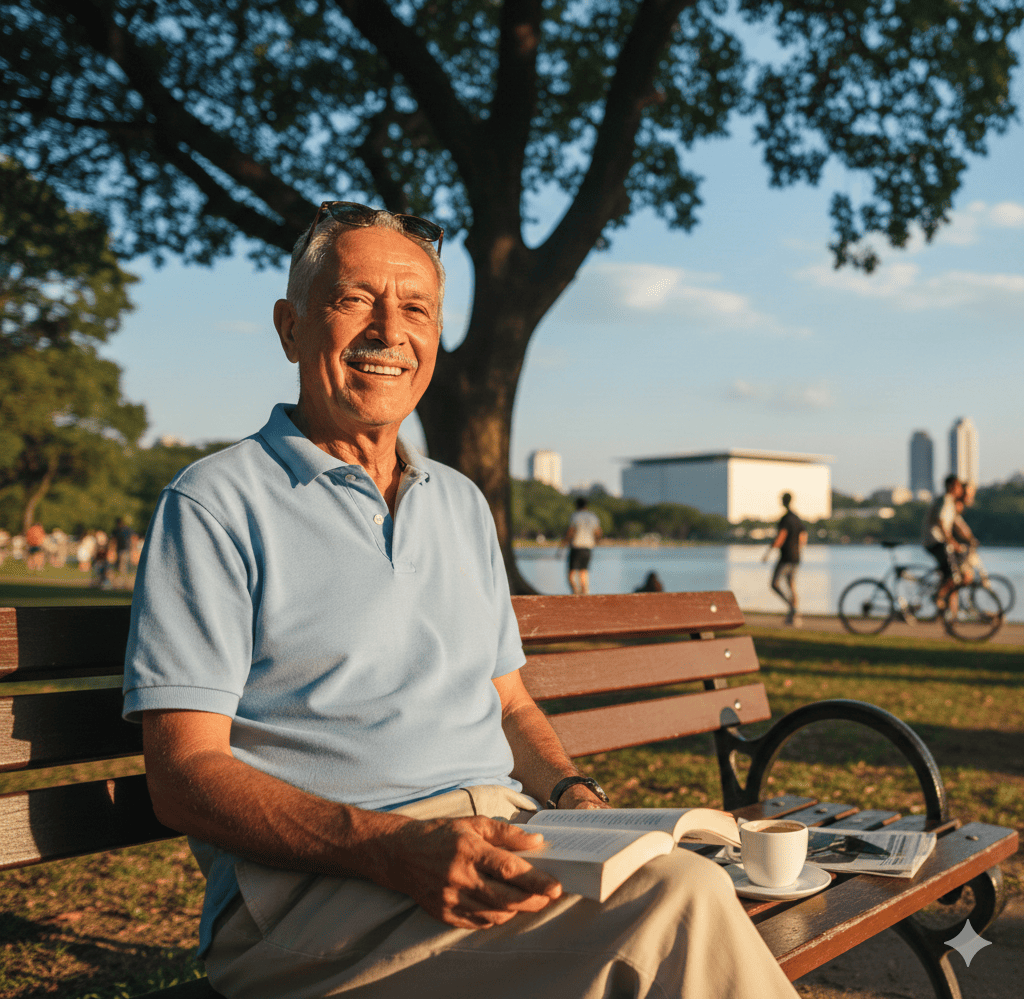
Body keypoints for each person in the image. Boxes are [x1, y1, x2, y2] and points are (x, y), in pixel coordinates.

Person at [122, 202, 799, 999]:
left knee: (677, 879)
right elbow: (183, 772)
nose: (388, 331)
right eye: (354, 300)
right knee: (681, 905)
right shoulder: (215, 504)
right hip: (315, 900)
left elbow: (505, 699)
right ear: (291, 327)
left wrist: (578, 800)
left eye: (416, 309)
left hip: (504, 838)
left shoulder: (459, 503)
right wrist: (392, 850)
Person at [762, 492, 807, 627]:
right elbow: (803, 536)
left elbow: (781, 537)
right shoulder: (797, 518)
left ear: (783, 501)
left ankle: (792, 608)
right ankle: (793, 616)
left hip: (786, 557)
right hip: (796, 557)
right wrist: (798, 549)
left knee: (774, 584)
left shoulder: (786, 519)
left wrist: (768, 552)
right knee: (791, 584)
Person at [921, 475, 965, 611]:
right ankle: (938, 598)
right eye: (959, 487)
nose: (960, 490)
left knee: (946, 573)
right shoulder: (946, 500)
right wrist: (952, 542)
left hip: (934, 541)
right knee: (952, 574)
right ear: (952, 487)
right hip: (936, 541)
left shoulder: (946, 501)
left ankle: (945, 610)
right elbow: (941, 522)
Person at [560, 496, 602, 595]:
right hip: (588, 548)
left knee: (571, 574)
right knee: (584, 572)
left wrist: (564, 543)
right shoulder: (593, 516)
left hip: (576, 547)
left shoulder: (575, 516)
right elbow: (598, 532)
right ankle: (585, 595)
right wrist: (595, 542)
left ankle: (576, 592)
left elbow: (570, 531)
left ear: (577, 505)